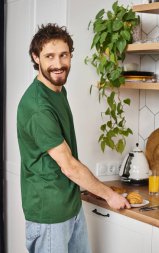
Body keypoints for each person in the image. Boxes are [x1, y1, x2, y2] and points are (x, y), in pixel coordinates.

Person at [17, 23, 131, 253]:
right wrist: (109, 195)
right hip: (50, 213)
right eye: (49, 56)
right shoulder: (38, 107)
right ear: (36, 57)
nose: (58, 64)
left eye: (64, 55)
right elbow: (68, 165)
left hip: (70, 205)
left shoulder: (57, 90)